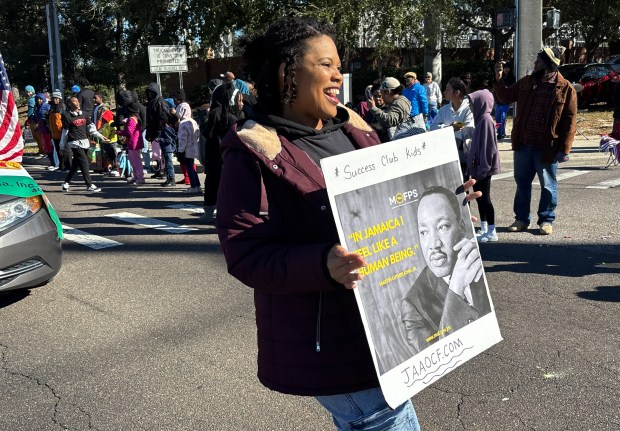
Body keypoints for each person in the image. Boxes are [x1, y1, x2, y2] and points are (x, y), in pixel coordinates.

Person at [494, 47, 577, 235]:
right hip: (524, 144)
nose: (534, 65)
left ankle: (546, 219)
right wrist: (499, 79)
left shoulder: (565, 89)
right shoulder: (527, 82)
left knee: (548, 185)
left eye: (538, 62)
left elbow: (570, 121)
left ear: (548, 66)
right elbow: (505, 97)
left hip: (546, 147)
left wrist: (565, 149)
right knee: (522, 183)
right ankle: (521, 219)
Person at [401, 186, 491, 354]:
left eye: (442, 227)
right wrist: (456, 287)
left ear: (462, 227)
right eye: (424, 232)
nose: (433, 244)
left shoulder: (475, 258)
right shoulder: (413, 306)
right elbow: (439, 357)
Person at [467, 90, 501, 242]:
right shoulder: (481, 120)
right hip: (478, 167)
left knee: (485, 198)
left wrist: (483, 168)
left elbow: (489, 149)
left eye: (473, 103)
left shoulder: (485, 120)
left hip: (483, 168)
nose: (471, 106)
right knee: (480, 198)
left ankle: (492, 230)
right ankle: (484, 227)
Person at [60, 97, 109, 192]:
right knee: (84, 163)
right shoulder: (67, 116)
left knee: (76, 164)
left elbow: (92, 129)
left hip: (85, 141)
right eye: (73, 101)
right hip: (74, 142)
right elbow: (64, 133)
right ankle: (89, 184)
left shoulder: (85, 114)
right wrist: (62, 146)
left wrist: (101, 137)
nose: (76, 103)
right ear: (69, 104)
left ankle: (66, 182)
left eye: (77, 101)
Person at [429, 77, 474, 179]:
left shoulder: (469, 109)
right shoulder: (444, 109)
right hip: (446, 153)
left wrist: (455, 126)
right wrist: (449, 128)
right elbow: (432, 126)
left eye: (448, 89)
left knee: (463, 183)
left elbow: (468, 127)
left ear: (457, 93)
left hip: (463, 154)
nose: (444, 92)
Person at [145, 82, 177, 186]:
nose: (150, 94)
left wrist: (160, 129)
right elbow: (149, 120)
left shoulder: (160, 102)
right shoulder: (151, 103)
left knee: (166, 156)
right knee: (160, 156)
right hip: (155, 131)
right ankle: (165, 175)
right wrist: (149, 132)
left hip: (162, 132)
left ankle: (170, 178)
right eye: (148, 92)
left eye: (151, 92)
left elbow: (164, 117)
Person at [366, 77, 412, 142]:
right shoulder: (401, 100)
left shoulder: (398, 102)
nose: (381, 98)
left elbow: (389, 121)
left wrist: (373, 108)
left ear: (388, 91)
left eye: (381, 94)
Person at [116, 102, 145, 184]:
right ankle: (136, 177)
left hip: (133, 143)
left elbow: (128, 132)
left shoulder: (132, 120)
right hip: (134, 142)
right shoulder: (135, 118)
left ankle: (140, 178)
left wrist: (118, 132)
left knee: (136, 162)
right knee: (133, 161)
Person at [176, 101, 201, 193]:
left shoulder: (182, 123)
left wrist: (180, 150)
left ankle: (193, 187)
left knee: (189, 168)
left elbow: (182, 139)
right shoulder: (193, 121)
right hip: (194, 147)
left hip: (186, 149)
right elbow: (198, 134)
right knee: (192, 167)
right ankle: (197, 186)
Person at [47, 90, 71, 171]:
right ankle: (62, 166)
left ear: (59, 98)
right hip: (54, 133)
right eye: (53, 98)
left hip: (62, 132)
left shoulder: (62, 107)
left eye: (56, 98)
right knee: (58, 150)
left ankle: (68, 166)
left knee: (65, 149)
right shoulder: (52, 107)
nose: (54, 100)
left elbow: (65, 119)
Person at [494, 62, 515, 140]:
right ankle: (498, 132)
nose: (506, 69)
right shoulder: (500, 77)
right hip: (498, 102)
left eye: (508, 68)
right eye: (505, 68)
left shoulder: (511, 78)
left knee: (502, 119)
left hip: (505, 102)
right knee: (497, 119)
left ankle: (502, 133)